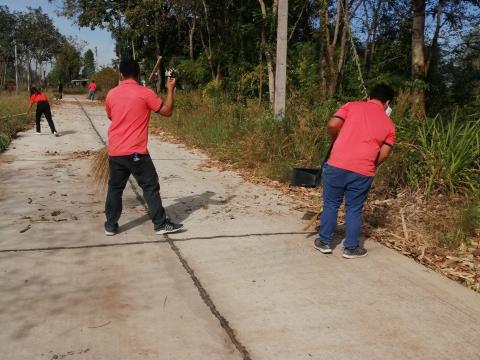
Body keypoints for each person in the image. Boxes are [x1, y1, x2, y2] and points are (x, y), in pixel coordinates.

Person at [314, 84, 395, 259]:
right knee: (354, 209)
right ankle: (351, 248)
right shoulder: (389, 125)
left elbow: (333, 124)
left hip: (337, 164)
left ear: (370, 97)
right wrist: (371, 164)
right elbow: (384, 153)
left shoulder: (352, 105)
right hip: (363, 171)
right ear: (387, 103)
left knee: (331, 204)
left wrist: (336, 138)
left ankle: (324, 242)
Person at [104, 59, 183, 236]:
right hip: (135, 152)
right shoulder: (145, 93)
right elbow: (167, 111)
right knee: (150, 186)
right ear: (138, 74)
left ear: (121, 74)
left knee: (115, 188)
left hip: (115, 151)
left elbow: (111, 116)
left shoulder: (111, 94)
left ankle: (110, 225)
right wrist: (170, 89)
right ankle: (161, 224)